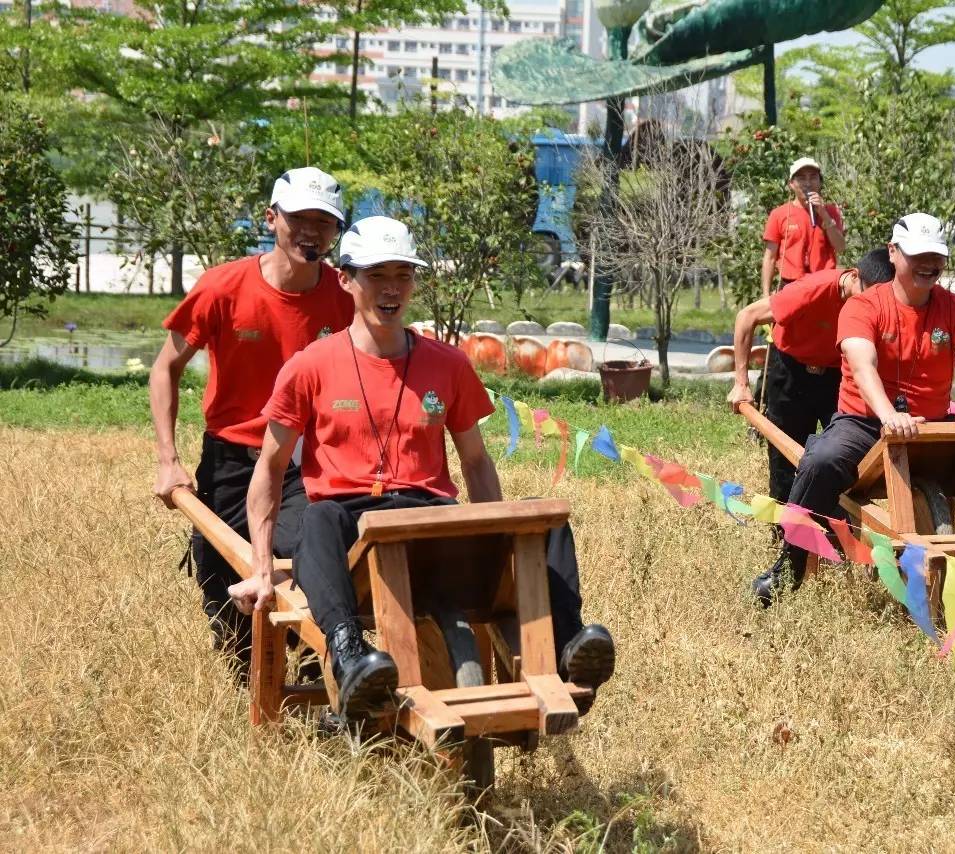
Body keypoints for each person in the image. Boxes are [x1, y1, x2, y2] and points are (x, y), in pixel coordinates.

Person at [228, 216, 615, 720]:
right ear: (345, 279)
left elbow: (475, 461)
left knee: (550, 520)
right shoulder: (310, 366)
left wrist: (495, 532)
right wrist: (261, 567)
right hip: (352, 531)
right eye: (377, 275)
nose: (392, 289)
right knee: (317, 519)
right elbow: (271, 469)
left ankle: (568, 647)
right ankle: (349, 658)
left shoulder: (447, 364)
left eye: (403, 275)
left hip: (427, 518)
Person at [750, 213, 955, 608]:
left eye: (936, 256)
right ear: (893, 253)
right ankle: (789, 565)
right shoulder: (862, 306)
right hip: (864, 423)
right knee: (819, 461)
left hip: (935, 427)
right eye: (918, 255)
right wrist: (887, 416)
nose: (928, 265)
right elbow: (863, 367)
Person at [150, 166, 353, 673]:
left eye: (324, 222)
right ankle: (248, 677)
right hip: (229, 460)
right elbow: (164, 369)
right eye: (298, 218)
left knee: (308, 555)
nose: (311, 231)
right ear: (271, 218)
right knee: (221, 589)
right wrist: (168, 460)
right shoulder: (222, 288)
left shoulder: (346, 298)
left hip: (304, 462)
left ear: (337, 230)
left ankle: (319, 668)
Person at [727, 249, 894, 502]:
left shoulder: (882, 303)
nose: (873, 303)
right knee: (784, 457)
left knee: (844, 456)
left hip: (836, 378)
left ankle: (833, 528)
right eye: (869, 293)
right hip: (790, 374)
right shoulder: (812, 289)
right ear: (855, 276)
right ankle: (784, 532)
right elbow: (746, 317)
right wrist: (741, 384)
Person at [760, 157, 846, 297]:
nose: (807, 183)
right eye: (801, 178)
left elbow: (841, 247)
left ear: (820, 182)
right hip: (790, 287)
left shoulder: (830, 211)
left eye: (813, 177)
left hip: (823, 286)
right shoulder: (779, 214)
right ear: (791, 184)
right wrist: (765, 294)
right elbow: (769, 257)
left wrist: (823, 214)